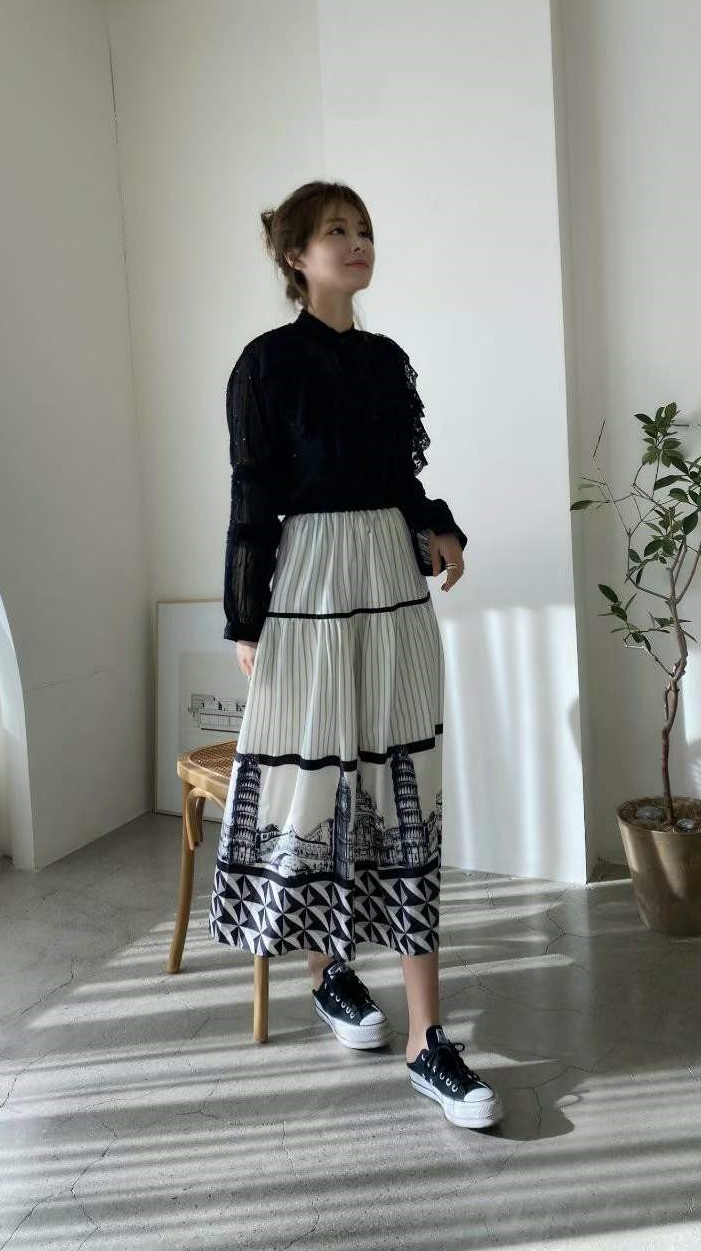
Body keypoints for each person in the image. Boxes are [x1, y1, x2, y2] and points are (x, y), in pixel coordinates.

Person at [207, 180, 503, 1130]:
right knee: (313, 782)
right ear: (296, 256)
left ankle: (427, 1037)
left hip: (390, 582)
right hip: (308, 587)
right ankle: (327, 969)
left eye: (365, 229)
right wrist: (247, 620)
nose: (358, 241)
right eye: (337, 230)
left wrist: (439, 527)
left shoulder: (384, 360)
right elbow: (253, 494)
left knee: (405, 789)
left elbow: (400, 474)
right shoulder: (264, 364)